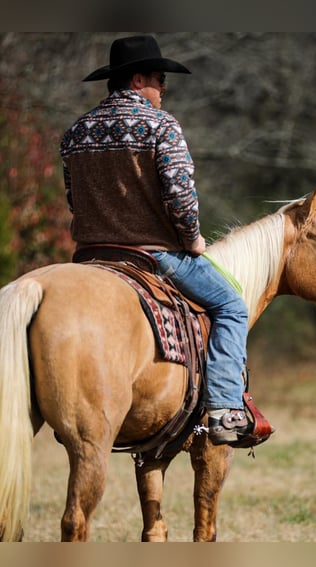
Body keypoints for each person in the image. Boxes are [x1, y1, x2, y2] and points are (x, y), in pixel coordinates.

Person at [60, 35, 254, 446]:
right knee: (233, 306)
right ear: (136, 79)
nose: (164, 87)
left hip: (90, 258)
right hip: (153, 256)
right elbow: (181, 197)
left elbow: (74, 200)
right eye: (159, 78)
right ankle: (223, 410)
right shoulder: (161, 126)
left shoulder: (75, 133)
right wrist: (194, 239)